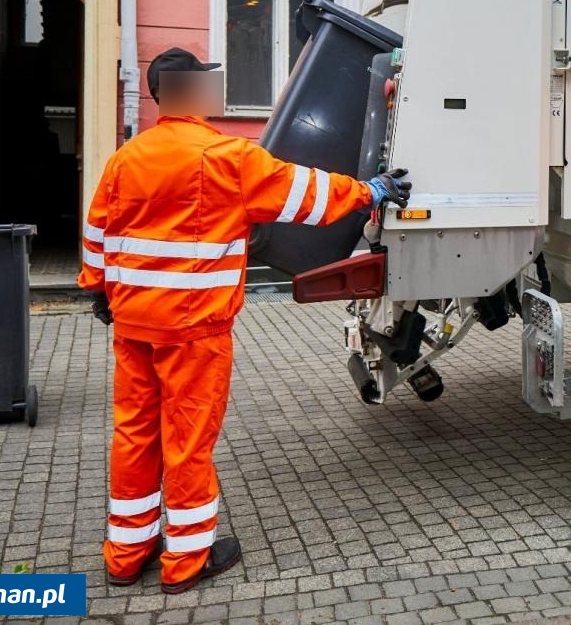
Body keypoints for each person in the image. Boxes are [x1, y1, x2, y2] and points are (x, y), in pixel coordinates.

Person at [77, 47, 410, 594]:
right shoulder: (226, 155)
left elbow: (97, 233)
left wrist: (98, 289)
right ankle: (185, 561)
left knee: (135, 434)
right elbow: (306, 194)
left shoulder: (126, 158)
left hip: (134, 324)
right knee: (186, 440)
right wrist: (371, 191)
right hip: (194, 328)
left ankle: (126, 554)